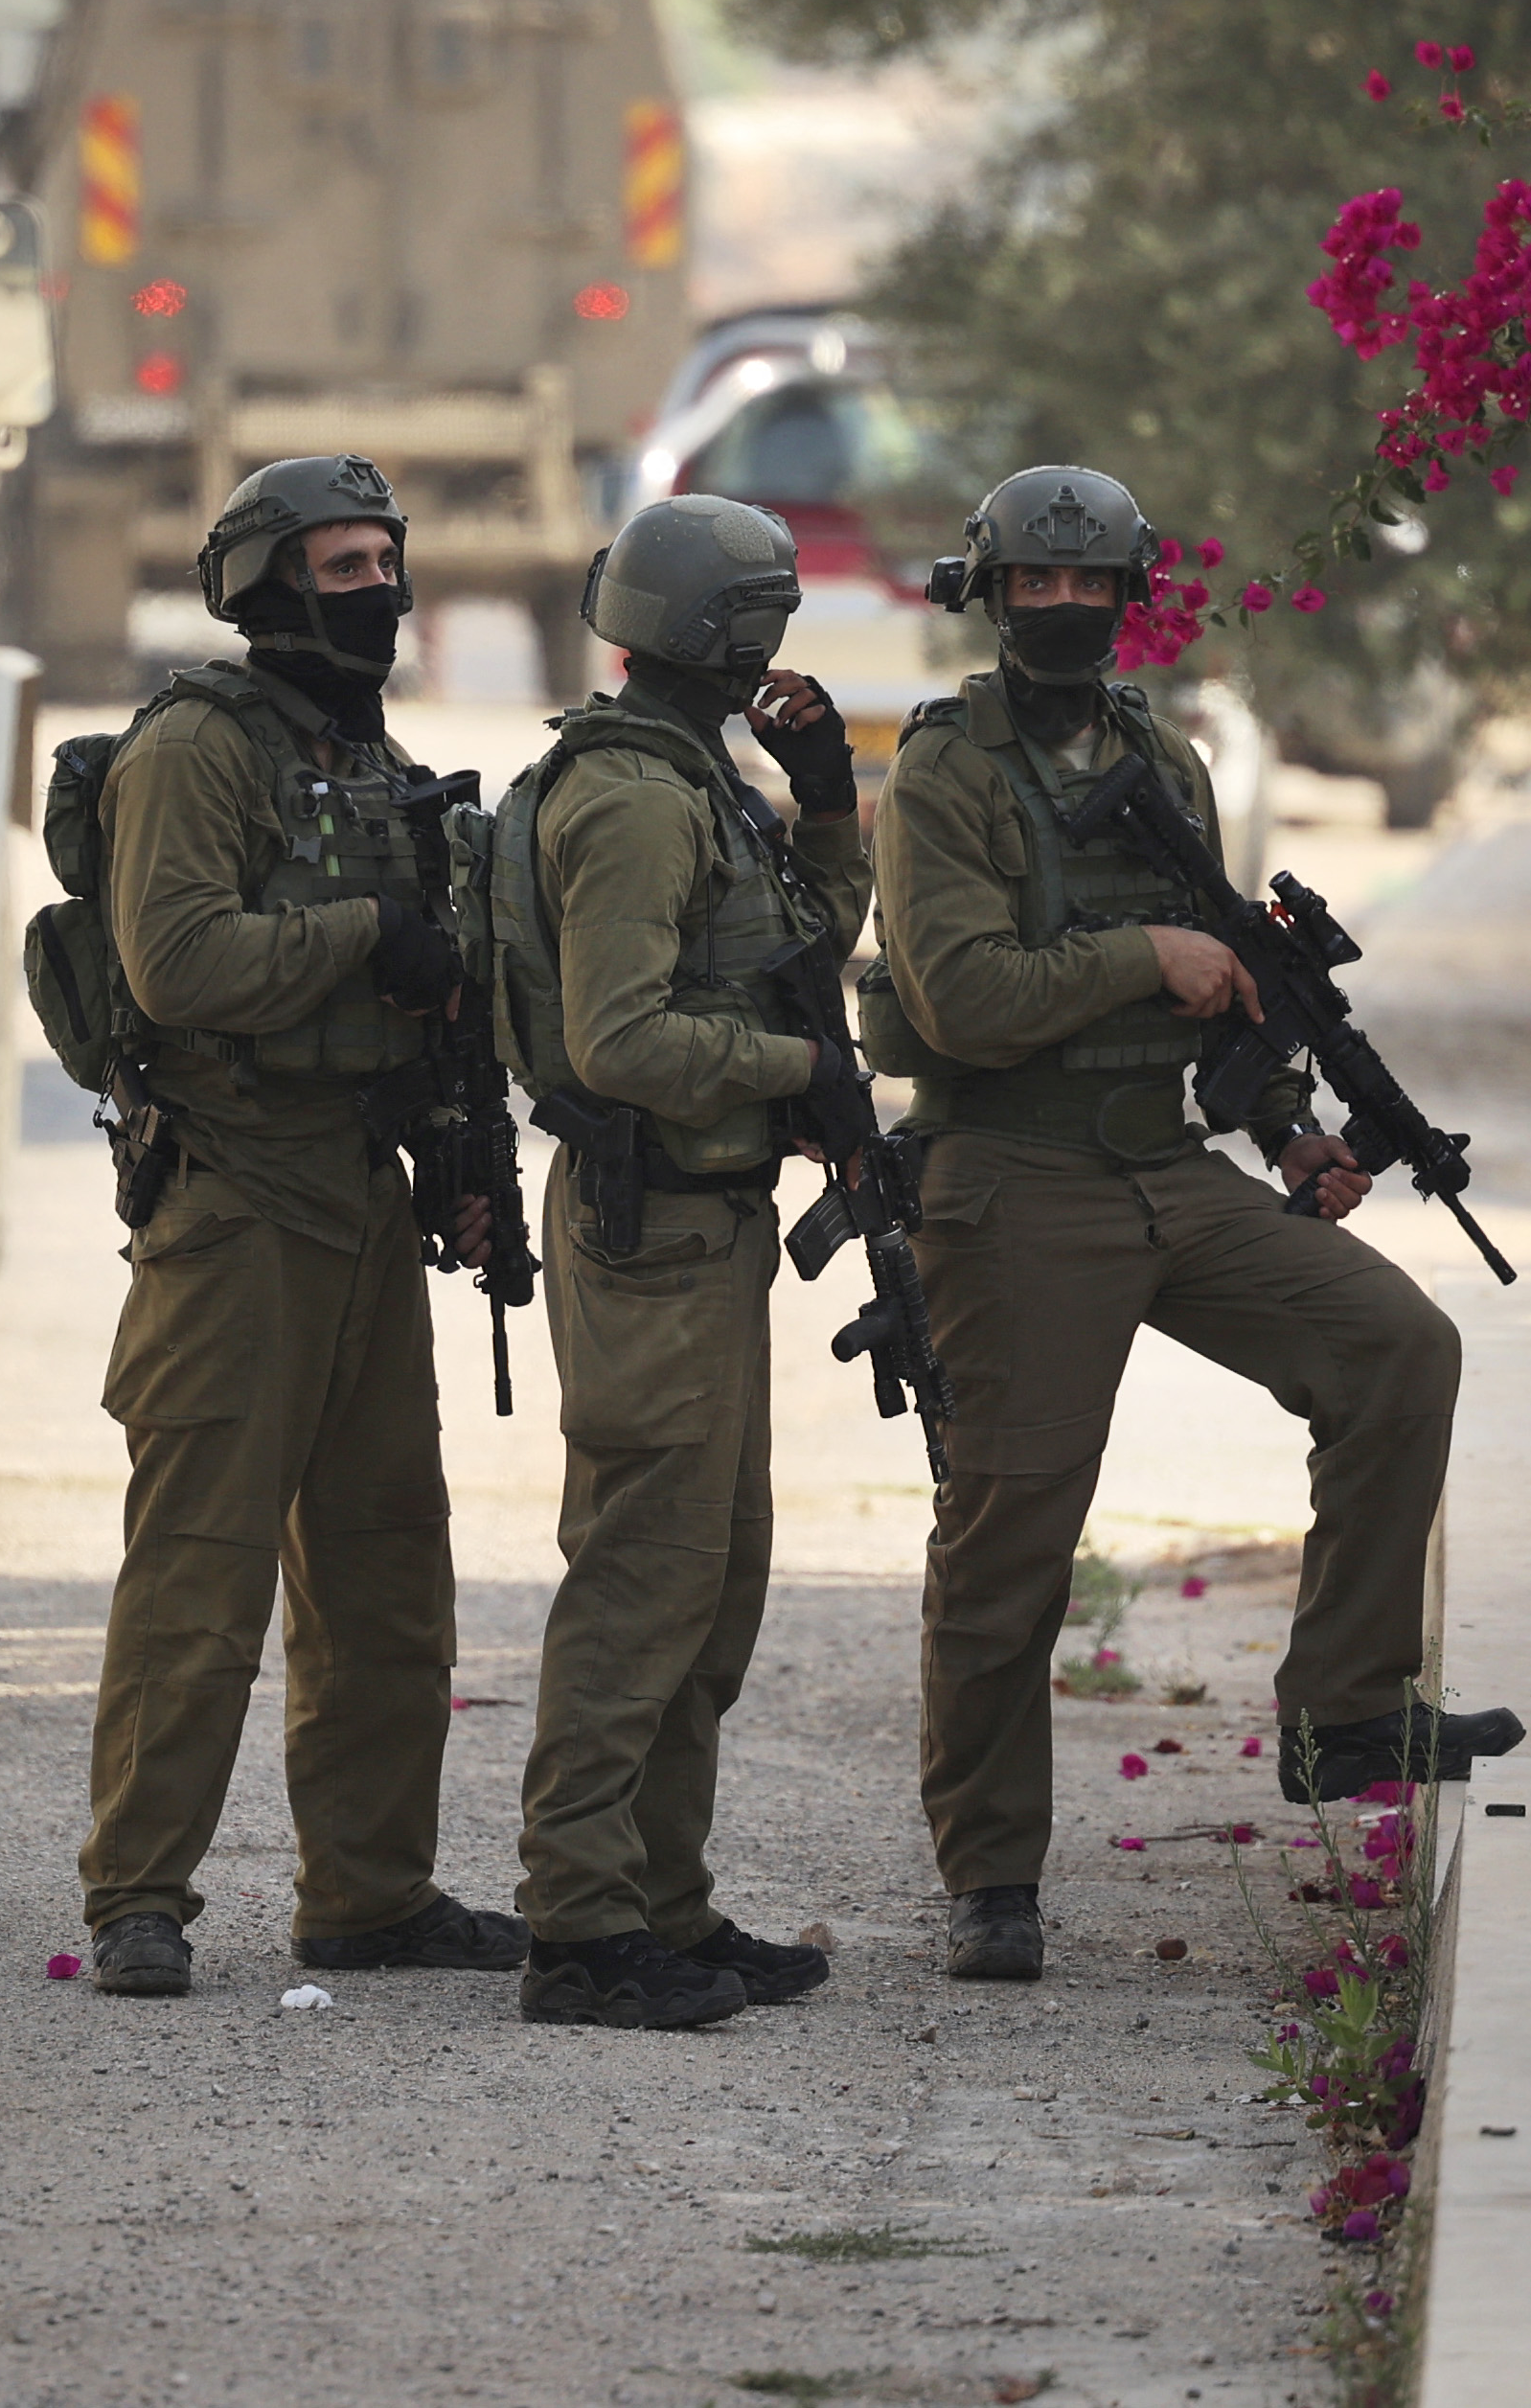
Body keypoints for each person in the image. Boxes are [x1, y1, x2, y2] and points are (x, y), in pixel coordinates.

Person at [865, 465, 1520, 1984]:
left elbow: (1220, 971)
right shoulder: (944, 772)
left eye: (1091, 587)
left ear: (1127, 594)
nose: (1066, 610)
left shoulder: (1161, 751)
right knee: (1012, 1533)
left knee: (1394, 1348)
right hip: (1013, 1177)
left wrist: (1289, 1125)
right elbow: (963, 996)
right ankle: (992, 1874)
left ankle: (1342, 1709)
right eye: (1035, 584)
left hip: (1168, 1165)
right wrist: (1135, 953)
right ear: (990, 591)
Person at [76, 454, 525, 2000]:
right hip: (235, 1206)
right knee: (200, 1575)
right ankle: (140, 1891)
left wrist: (447, 1144)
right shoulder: (199, 749)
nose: (376, 592)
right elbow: (179, 962)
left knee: (389, 1573)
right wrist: (365, 939)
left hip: (360, 1199)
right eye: (340, 568)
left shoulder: (373, 759)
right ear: (263, 586)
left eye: (386, 562)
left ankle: (371, 1893)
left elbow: (417, 997)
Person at [487, 494, 875, 2030]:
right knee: (642, 1581)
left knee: (709, 1582)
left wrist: (830, 803)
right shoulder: (640, 801)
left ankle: (663, 1899)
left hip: (705, 1232)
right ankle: (581, 1931)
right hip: (649, 1227)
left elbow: (799, 948)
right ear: (736, 636)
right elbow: (623, 1039)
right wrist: (795, 1072)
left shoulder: (697, 781)